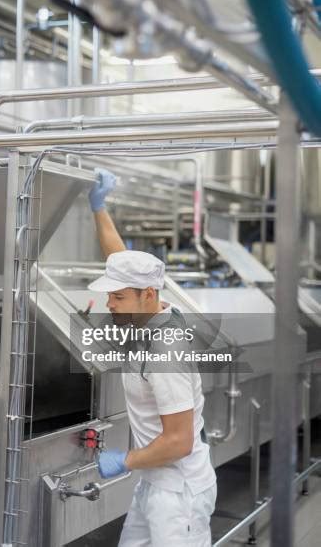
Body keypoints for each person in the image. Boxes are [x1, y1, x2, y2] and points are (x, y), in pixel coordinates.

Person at [87, 168, 217, 547]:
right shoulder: (146, 309)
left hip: (179, 495)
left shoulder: (165, 349)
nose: (109, 304)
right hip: (156, 483)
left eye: (117, 297)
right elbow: (120, 259)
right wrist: (99, 207)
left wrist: (124, 460)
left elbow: (178, 441)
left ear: (147, 295)